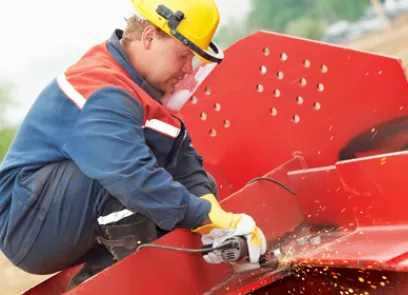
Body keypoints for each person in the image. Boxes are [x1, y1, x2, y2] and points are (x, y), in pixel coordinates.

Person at [0, 0, 267, 290]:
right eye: (183, 55)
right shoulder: (102, 86)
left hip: (62, 215)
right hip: (27, 224)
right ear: (150, 36)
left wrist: (213, 212)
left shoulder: (140, 88)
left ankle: (96, 282)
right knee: (131, 185)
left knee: (170, 191)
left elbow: (181, 158)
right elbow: (131, 176)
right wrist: (204, 217)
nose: (188, 69)